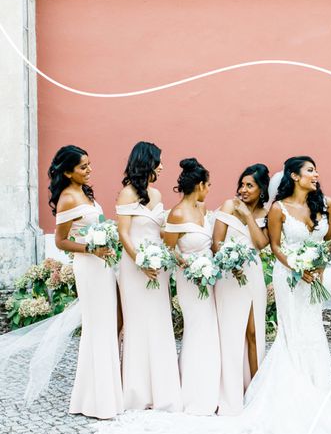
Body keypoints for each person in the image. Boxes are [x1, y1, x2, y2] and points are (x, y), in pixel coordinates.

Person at [91, 156, 331, 434]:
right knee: (291, 335)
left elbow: (329, 241)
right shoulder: (277, 209)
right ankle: (285, 397)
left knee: (313, 334)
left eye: (317, 169)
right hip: (290, 279)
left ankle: (321, 400)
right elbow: (274, 246)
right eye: (310, 170)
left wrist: (315, 262)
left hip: (310, 278)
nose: (316, 174)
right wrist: (297, 268)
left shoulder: (325, 204)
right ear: (295, 176)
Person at [50, 145, 123, 419]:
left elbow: (98, 225)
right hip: (89, 267)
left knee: (108, 324)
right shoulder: (68, 198)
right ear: (68, 172)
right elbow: (60, 241)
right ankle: (96, 400)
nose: (89, 169)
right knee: (97, 326)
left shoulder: (85, 193)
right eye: (83, 167)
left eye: (89, 164)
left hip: (103, 265)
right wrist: (90, 249)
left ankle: (104, 394)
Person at [116, 141, 182, 412]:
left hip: (159, 269)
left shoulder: (155, 195)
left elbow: (161, 232)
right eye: (159, 161)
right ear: (147, 162)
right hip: (135, 268)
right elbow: (123, 234)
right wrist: (141, 262)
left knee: (159, 322)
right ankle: (137, 391)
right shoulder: (127, 194)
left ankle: (163, 390)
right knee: (138, 323)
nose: (163, 166)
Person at [213, 164, 270, 416]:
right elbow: (216, 243)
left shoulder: (266, 213)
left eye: (250, 185)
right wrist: (230, 261)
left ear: (261, 189)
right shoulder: (228, 205)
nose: (243, 190)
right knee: (230, 332)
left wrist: (248, 216)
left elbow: (260, 244)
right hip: (229, 276)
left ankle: (256, 391)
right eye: (242, 184)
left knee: (254, 332)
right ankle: (230, 393)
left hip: (253, 276)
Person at [164, 158, 220, 415]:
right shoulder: (177, 213)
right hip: (189, 280)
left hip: (207, 281)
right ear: (199, 185)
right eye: (207, 185)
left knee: (209, 330)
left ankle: (209, 389)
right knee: (197, 329)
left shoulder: (202, 208)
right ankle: (192, 393)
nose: (209, 189)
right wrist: (188, 266)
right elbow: (168, 248)